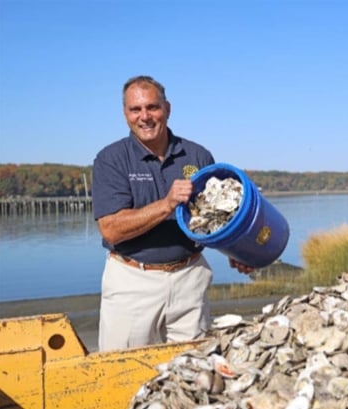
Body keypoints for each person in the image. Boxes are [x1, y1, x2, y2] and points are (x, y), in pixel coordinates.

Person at [92, 75, 253, 351]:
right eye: (135, 109)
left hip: (190, 278)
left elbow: (217, 219)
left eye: (152, 107)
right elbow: (111, 229)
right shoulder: (111, 159)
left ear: (167, 108)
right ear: (125, 114)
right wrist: (166, 204)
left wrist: (240, 252)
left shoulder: (198, 156)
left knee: (192, 372)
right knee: (124, 373)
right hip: (132, 282)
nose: (145, 116)